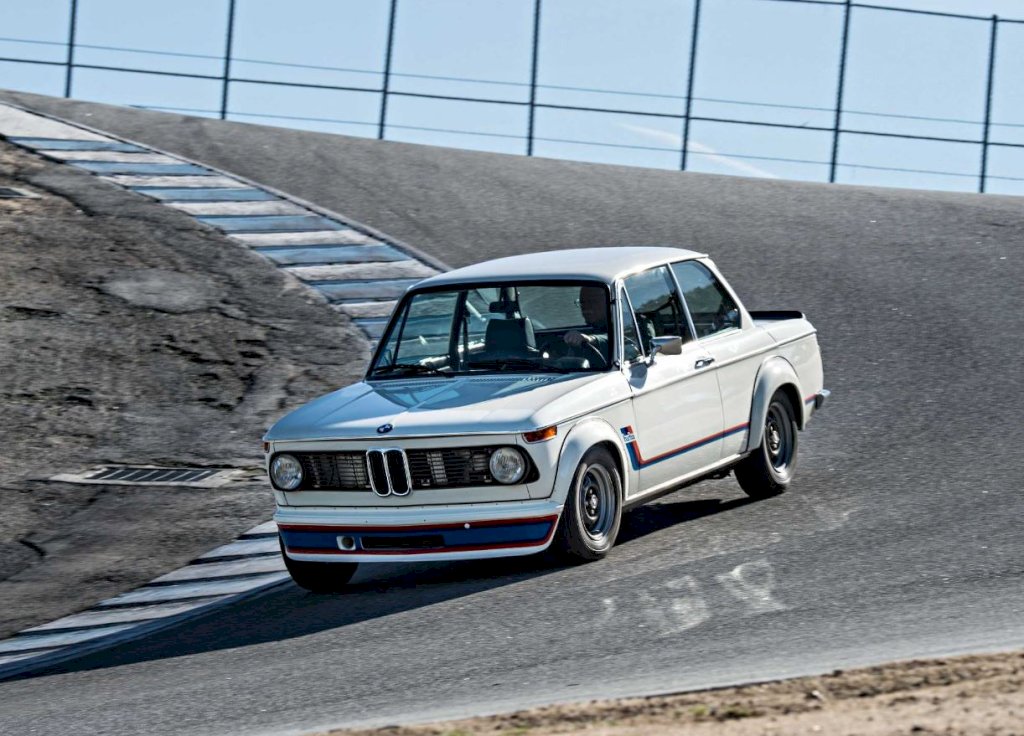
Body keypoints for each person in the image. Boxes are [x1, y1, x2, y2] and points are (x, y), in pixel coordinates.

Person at [563, 286, 609, 360]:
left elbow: (621, 339)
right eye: (582, 302)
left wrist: (591, 339)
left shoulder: (625, 321)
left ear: (607, 301)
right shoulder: (590, 328)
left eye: (592, 302)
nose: (586, 307)